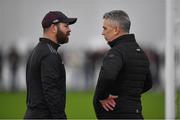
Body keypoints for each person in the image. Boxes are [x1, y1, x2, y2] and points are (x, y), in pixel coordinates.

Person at [93, 10, 152, 119]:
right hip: (136, 113)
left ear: (116, 30)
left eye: (105, 28)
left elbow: (107, 75)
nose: (102, 32)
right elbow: (148, 83)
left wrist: (102, 96)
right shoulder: (140, 52)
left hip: (117, 114)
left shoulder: (117, 51)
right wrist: (129, 94)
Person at [24, 11, 77, 119]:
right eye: (66, 26)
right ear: (54, 28)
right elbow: (51, 91)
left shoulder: (37, 50)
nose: (69, 29)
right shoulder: (49, 54)